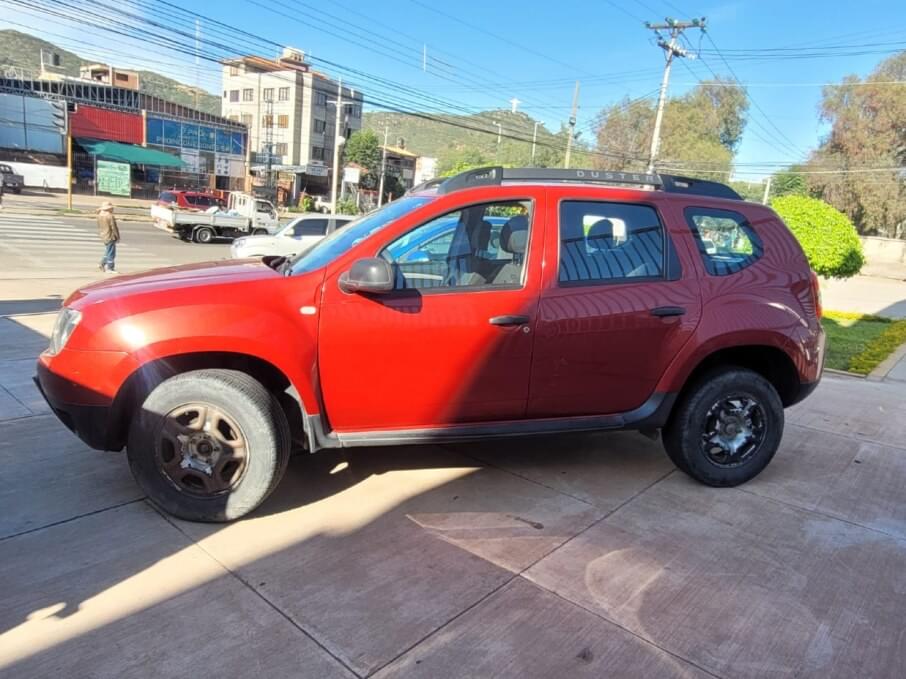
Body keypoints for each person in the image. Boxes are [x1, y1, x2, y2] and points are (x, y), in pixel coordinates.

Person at [96, 201, 120, 273]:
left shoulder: (99, 215)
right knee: (111, 253)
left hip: (103, 235)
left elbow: (99, 226)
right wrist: (117, 236)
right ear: (108, 209)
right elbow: (114, 227)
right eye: (111, 208)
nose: (112, 209)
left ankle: (102, 264)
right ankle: (110, 268)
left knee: (108, 251)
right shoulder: (110, 216)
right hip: (110, 236)